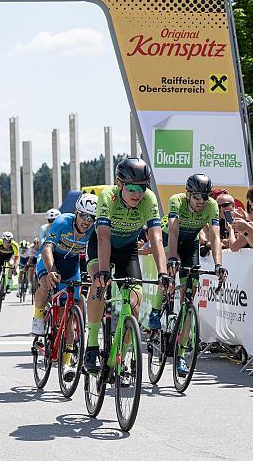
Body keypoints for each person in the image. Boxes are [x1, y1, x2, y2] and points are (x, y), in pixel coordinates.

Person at [84, 157, 172, 373]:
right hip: (102, 245)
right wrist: (103, 271)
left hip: (127, 249)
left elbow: (157, 238)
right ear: (119, 183)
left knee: (134, 299)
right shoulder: (108, 196)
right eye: (132, 187)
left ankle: (122, 356)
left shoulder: (148, 199)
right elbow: (103, 236)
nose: (137, 193)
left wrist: (163, 272)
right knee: (98, 285)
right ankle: (92, 344)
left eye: (142, 187)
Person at [158, 173, 227, 376]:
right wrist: (171, 258)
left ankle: (181, 353)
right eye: (197, 196)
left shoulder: (211, 205)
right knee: (168, 275)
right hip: (170, 238)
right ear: (188, 194)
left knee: (190, 296)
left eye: (205, 197)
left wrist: (218, 264)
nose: (201, 201)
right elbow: (173, 231)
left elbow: (214, 236)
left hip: (190, 244)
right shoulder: (176, 201)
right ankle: (156, 310)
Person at [32, 194, 97, 381]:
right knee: (46, 282)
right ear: (76, 213)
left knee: (70, 313)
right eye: (84, 216)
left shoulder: (92, 230)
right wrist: (51, 270)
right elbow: (47, 248)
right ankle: (38, 315)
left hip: (71, 265)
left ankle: (67, 363)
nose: (87, 221)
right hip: (50, 259)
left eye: (91, 218)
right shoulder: (62, 221)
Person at [0, 231, 19, 304]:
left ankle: (8, 285)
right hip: (1, 256)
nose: (8, 243)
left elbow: (17, 258)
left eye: (9, 241)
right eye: (6, 241)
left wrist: (15, 268)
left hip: (10, 256)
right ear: (3, 240)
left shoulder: (14, 245)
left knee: (11, 264)